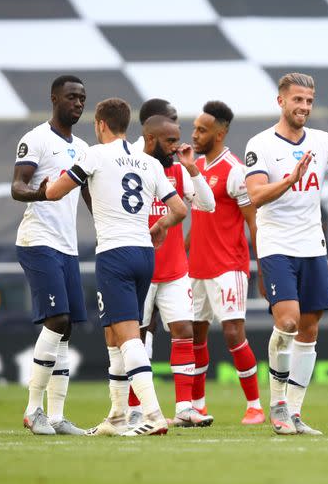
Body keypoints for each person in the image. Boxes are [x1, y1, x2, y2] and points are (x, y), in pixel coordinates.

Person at [46, 100, 187, 436]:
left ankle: (152, 414)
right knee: (113, 333)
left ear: (100, 124)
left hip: (115, 254)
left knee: (127, 337)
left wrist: (48, 183)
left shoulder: (94, 154)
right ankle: (118, 415)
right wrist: (159, 227)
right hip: (143, 253)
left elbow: (54, 192)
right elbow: (179, 209)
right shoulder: (147, 162)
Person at [244, 72, 328, 435]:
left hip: (312, 246)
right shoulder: (261, 144)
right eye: (297, 100)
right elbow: (255, 196)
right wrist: (289, 179)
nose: (304, 107)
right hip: (277, 245)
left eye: (309, 101)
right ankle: (278, 404)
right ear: (281, 101)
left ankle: (295, 412)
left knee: (310, 328)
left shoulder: (323, 141)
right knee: (287, 323)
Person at [13, 75, 90, 436]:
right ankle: (33, 410)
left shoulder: (85, 149)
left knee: (67, 329)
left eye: (82, 98)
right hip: (38, 239)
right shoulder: (36, 139)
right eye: (72, 97)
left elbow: (92, 199)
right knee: (57, 319)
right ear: (54, 98)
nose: (78, 103)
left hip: (67, 245)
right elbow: (17, 186)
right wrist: (40, 195)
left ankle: (57, 416)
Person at [131, 116, 216, 429]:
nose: (178, 146)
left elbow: (207, 206)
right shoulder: (134, 167)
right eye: (170, 141)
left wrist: (192, 167)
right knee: (136, 338)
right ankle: (136, 410)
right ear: (151, 139)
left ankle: (185, 408)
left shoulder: (180, 170)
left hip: (176, 270)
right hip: (139, 268)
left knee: (184, 332)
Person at [185, 100, 265, 425]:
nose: (194, 135)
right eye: (194, 128)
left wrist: (264, 265)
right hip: (197, 267)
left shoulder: (234, 170)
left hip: (228, 266)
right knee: (195, 335)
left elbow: (253, 220)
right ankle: (198, 404)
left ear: (220, 133)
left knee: (233, 332)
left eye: (201, 130)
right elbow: (199, 219)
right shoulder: (195, 168)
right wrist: (183, 250)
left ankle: (256, 406)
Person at [124, 98, 180, 425]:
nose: (177, 140)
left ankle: (144, 408)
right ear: (151, 130)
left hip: (165, 263)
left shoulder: (168, 163)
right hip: (135, 256)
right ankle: (131, 409)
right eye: (170, 128)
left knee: (151, 331)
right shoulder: (135, 160)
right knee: (136, 331)